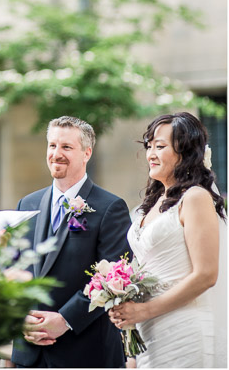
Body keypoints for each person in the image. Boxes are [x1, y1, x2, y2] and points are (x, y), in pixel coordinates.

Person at [12, 115, 132, 368]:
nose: (57, 154)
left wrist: (65, 320)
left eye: (66, 147)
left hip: (85, 351)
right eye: (52, 145)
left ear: (87, 153)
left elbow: (113, 278)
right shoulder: (27, 205)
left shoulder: (111, 207)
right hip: (30, 351)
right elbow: (16, 269)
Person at [108, 113, 226, 368]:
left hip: (184, 329)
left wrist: (143, 312)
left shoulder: (195, 198)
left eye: (160, 146)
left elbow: (206, 274)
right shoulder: (148, 206)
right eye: (149, 146)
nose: (151, 153)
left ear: (184, 152)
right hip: (148, 332)